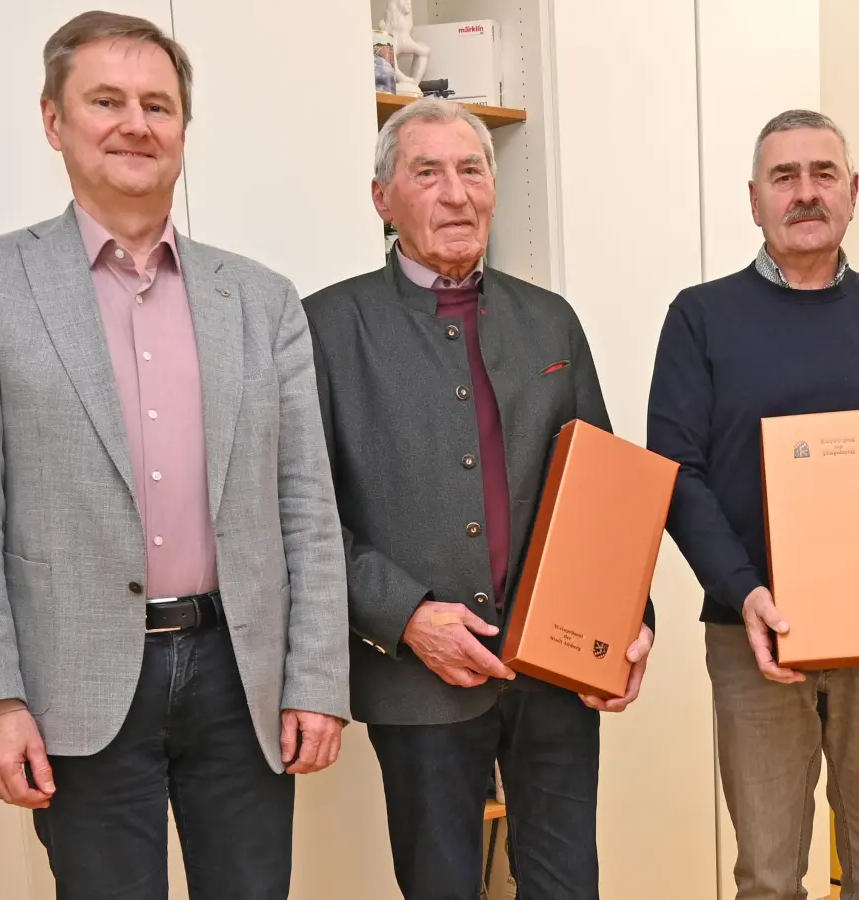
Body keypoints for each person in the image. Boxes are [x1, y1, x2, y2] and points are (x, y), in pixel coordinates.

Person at [0, 11, 349, 899]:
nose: (135, 123)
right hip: (75, 683)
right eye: (105, 100)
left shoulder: (260, 300)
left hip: (242, 677)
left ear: (184, 128)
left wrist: (316, 677)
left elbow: (306, 505)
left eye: (157, 104)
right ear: (53, 121)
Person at [302, 98, 655, 900]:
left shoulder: (551, 321)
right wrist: (406, 616)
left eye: (472, 170)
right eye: (426, 173)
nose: (455, 193)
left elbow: (607, 498)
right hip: (418, 678)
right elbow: (307, 521)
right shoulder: (325, 327)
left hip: (559, 673)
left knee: (569, 886)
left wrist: (631, 621)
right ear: (382, 198)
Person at [647, 109, 859, 900]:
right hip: (751, 635)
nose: (805, 192)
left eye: (824, 174)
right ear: (753, 199)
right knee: (765, 874)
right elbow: (675, 472)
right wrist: (744, 592)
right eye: (784, 177)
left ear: (853, 192)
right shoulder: (700, 318)